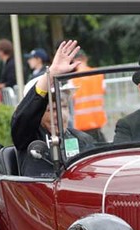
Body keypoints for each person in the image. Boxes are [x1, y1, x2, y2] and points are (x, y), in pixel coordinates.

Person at [11, 40, 95, 176]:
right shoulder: (28, 138)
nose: (60, 115)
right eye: (51, 110)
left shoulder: (82, 140)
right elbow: (24, 117)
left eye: (63, 107)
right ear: (36, 114)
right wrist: (51, 74)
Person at [70, 49, 108, 143]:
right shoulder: (98, 75)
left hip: (82, 122)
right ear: (86, 59)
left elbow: (70, 98)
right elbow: (104, 91)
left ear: (74, 61)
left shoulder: (73, 79)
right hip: (97, 120)